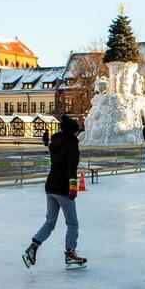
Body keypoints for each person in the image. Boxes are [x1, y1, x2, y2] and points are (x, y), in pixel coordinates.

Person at [23, 115, 88, 270]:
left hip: (50, 186)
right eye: (77, 132)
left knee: (50, 222)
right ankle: (70, 254)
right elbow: (71, 169)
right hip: (63, 188)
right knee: (72, 223)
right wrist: (73, 188)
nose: (78, 134)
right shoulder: (72, 145)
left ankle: (32, 247)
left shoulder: (55, 143)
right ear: (72, 132)